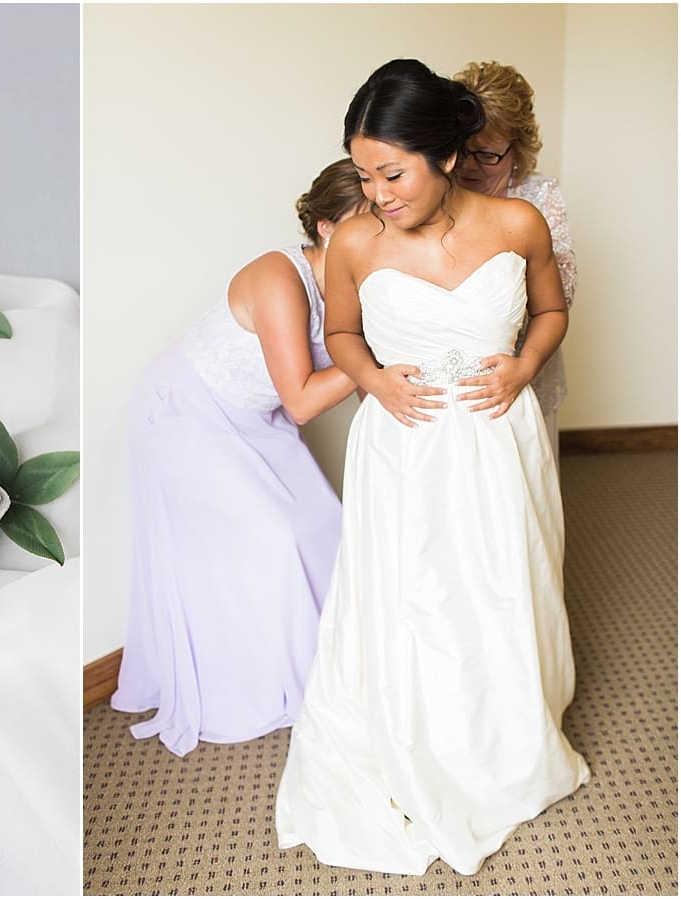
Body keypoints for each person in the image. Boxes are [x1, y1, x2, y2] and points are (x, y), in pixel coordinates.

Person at [273, 59, 590, 876]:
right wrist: (374, 380)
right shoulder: (353, 239)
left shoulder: (518, 225)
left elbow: (552, 309)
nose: (377, 192)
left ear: (447, 155)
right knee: (417, 589)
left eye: (392, 171)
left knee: (501, 576)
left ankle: (509, 733)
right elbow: (342, 334)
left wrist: (521, 368)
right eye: (365, 171)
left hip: (497, 436)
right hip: (405, 445)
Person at [111, 159, 366, 757]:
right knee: (276, 537)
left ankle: (329, 667)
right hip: (187, 415)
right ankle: (279, 685)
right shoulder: (281, 278)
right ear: (326, 228)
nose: (379, 238)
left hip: (257, 417)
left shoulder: (359, 282)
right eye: (365, 223)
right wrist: (379, 359)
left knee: (324, 524)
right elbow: (305, 400)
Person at [454, 60, 576, 463]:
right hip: (451, 374)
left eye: (487, 155)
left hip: (527, 366)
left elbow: (561, 296)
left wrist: (522, 366)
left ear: (517, 148)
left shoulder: (539, 196)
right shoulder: (434, 189)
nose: (470, 166)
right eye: (463, 151)